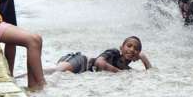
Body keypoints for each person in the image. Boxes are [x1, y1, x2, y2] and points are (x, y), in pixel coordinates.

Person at [17, 36, 151, 76]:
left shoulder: (127, 70)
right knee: (56, 71)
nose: (132, 49)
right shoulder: (114, 52)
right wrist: (120, 73)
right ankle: (20, 76)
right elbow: (99, 63)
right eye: (129, 45)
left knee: (58, 78)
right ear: (122, 47)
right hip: (81, 61)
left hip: (82, 73)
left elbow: (151, 74)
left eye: (136, 49)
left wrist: (144, 59)